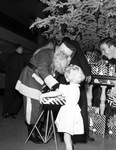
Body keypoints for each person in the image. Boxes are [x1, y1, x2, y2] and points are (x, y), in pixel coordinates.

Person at [15, 38, 76, 144]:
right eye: (66, 57)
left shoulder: (56, 57)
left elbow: (53, 73)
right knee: (32, 108)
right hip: (30, 79)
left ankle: (37, 129)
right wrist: (56, 87)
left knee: (39, 107)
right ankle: (31, 133)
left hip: (40, 82)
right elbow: (43, 70)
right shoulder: (45, 53)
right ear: (61, 53)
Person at [57, 37, 94, 142]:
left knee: (62, 104)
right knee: (80, 105)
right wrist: (87, 72)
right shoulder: (73, 43)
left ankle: (63, 131)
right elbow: (82, 57)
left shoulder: (61, 47)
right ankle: (83, 134)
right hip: (76, 77)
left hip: (64, 77)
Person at [55, 64, 85, 150]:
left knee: (66, 138)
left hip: (67, 113)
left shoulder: (67, 88)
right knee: (69, 136)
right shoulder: (77, 87)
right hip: (74, 112)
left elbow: (57, 91)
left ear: (68, 77)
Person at [2, 44, 26, 119]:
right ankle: (11, 111)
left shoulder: (9, 56)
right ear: (18, 49)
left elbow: (5, 68)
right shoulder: (20, 56)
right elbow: (22, 69)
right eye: (22, 49)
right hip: (17, 79)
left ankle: (5, 112)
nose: (22, 50)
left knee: (8, 96)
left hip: (8, 79)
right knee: (19, 97)